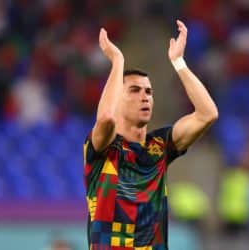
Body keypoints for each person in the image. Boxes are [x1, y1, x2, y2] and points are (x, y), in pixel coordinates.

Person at [83, 20, 218, 250]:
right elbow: (106, 118)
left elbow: (208, 114)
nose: (145, 96)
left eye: (148, 92)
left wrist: (179, 62)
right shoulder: (102, 148)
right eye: (134, 91)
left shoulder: (161, 145)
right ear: (118, 99)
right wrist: (118, 61)